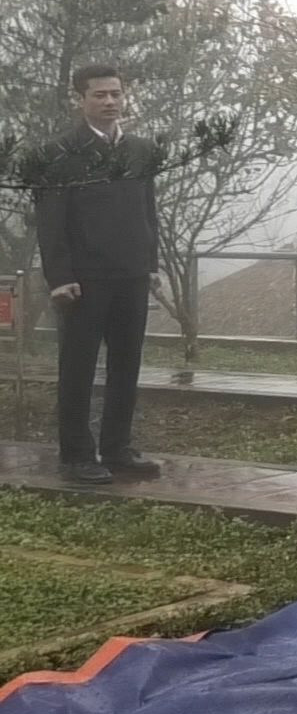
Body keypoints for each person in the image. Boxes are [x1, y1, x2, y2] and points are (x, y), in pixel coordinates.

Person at [24, 64, 165, 485]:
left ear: (125, 97)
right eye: (99, 95)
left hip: (132, 275)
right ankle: (77, 454)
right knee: (78, 368)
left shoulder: (140, 149)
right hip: (83, 281)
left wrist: (151, 264)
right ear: (80, 99)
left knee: (127, 365)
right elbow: (51, 221)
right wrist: (59, 277)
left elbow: (148, 211)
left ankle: (118, 447)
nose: (109, 102)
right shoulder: (61, 153)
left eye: (115, 94)